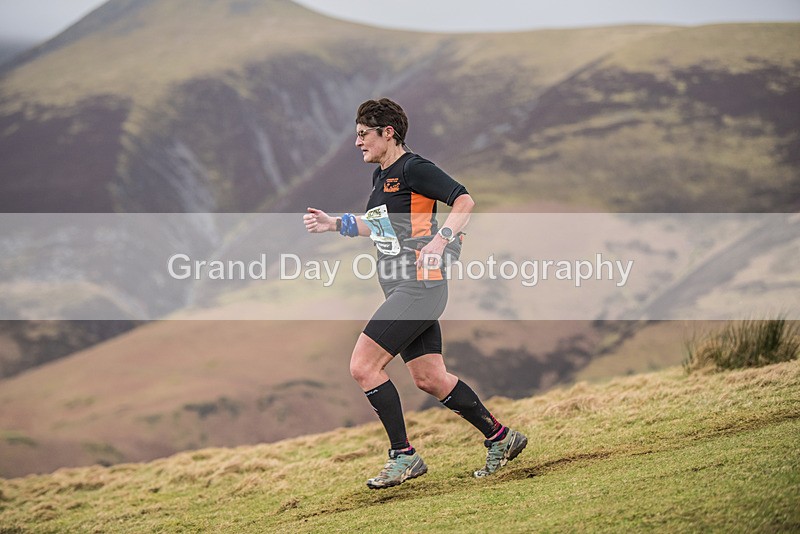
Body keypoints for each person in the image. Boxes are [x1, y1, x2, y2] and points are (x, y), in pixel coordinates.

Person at [303, 98, 527, 489]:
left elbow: (464, 200)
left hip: (420, 284)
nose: (357, 143)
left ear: (387, 133)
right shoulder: (382, 178)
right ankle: (502, 437)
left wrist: (441, 241)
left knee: (363, 366)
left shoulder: (414, 168)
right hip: (404, 286)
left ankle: (403, 455)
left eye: (362, 134)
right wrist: (335, 224)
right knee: (430, 377)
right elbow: (384, 230)